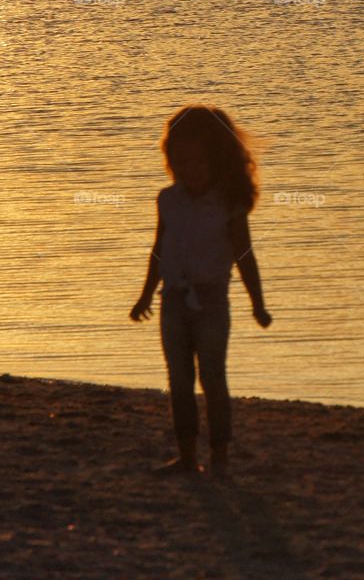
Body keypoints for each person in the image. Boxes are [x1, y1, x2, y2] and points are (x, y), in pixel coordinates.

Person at [130, 104, 272, 477]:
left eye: (196, 163)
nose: (187, 171)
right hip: (173, 301)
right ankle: (187, 457)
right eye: (180, 163)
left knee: (212, 377)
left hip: (211, 302)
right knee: (178, 379)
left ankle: (221, 458)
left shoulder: (229, 205)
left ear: (216, 160)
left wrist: (258, 303)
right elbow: (159, 250)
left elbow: (244, 255)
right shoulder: (167, 200)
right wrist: (146, 295)